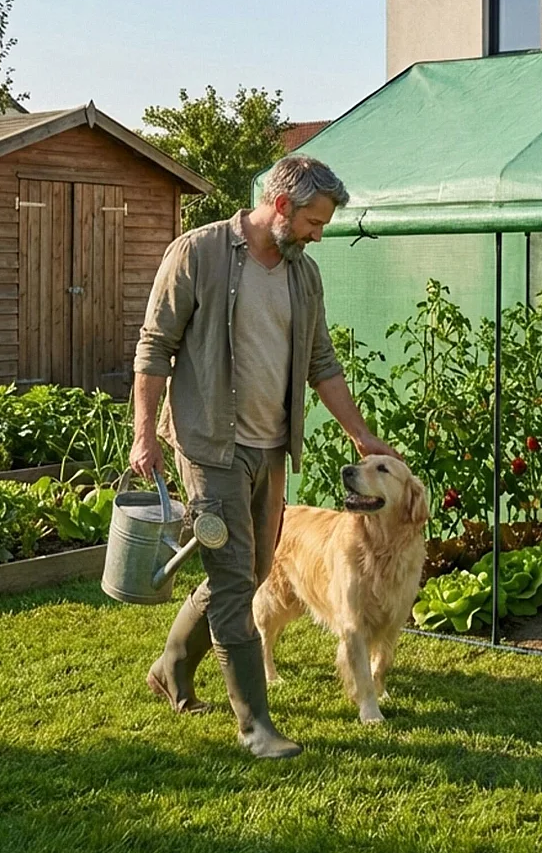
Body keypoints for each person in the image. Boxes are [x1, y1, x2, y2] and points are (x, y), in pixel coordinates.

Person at [130, 153, 398, 759]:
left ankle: (170, 667)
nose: (317, 235)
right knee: (234, 584)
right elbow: (154, 346)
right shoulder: (196, 253)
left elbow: (321, 361)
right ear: (280, 205)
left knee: (249, 574)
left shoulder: (303, 274)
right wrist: (144, 433)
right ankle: (256, 727)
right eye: (313, 222)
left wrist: (361, 435)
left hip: (270, 449)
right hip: (209, 445)